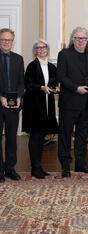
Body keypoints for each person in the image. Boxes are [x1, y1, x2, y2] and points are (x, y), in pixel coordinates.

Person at [57, 26, 88, 177]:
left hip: (86, 103)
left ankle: (80, 164)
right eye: (78, 38)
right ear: (73, 40)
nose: (81, 41)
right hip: (69, 103)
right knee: (65, 135)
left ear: (87, 41)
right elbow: (61, 76)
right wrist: (76, 88)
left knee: (82, 136)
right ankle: (65, 165)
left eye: (84, 38)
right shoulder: (64, 54)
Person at [22, 39, 59, 179]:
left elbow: (54, 84)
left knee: (42, 137)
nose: (41, 50)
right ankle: (35, 168)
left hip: (47, 107)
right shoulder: (32, 66)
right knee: (35, 137)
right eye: (37, 48)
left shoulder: (52, 67)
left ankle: (39, 167)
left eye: (43, 47)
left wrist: (56, 89)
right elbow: (28, 85)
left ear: (47, 49)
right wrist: (41, 88)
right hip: (34, 107)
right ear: (35, 51)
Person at [0, 28, 24, 182]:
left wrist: (20, 96)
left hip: (13, 105)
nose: (6, 42)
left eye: (8, 40)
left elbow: (21, 81)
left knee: (11, 138)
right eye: (3, 39)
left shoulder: (18, 58)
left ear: (13, 42)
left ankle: (10, 169)